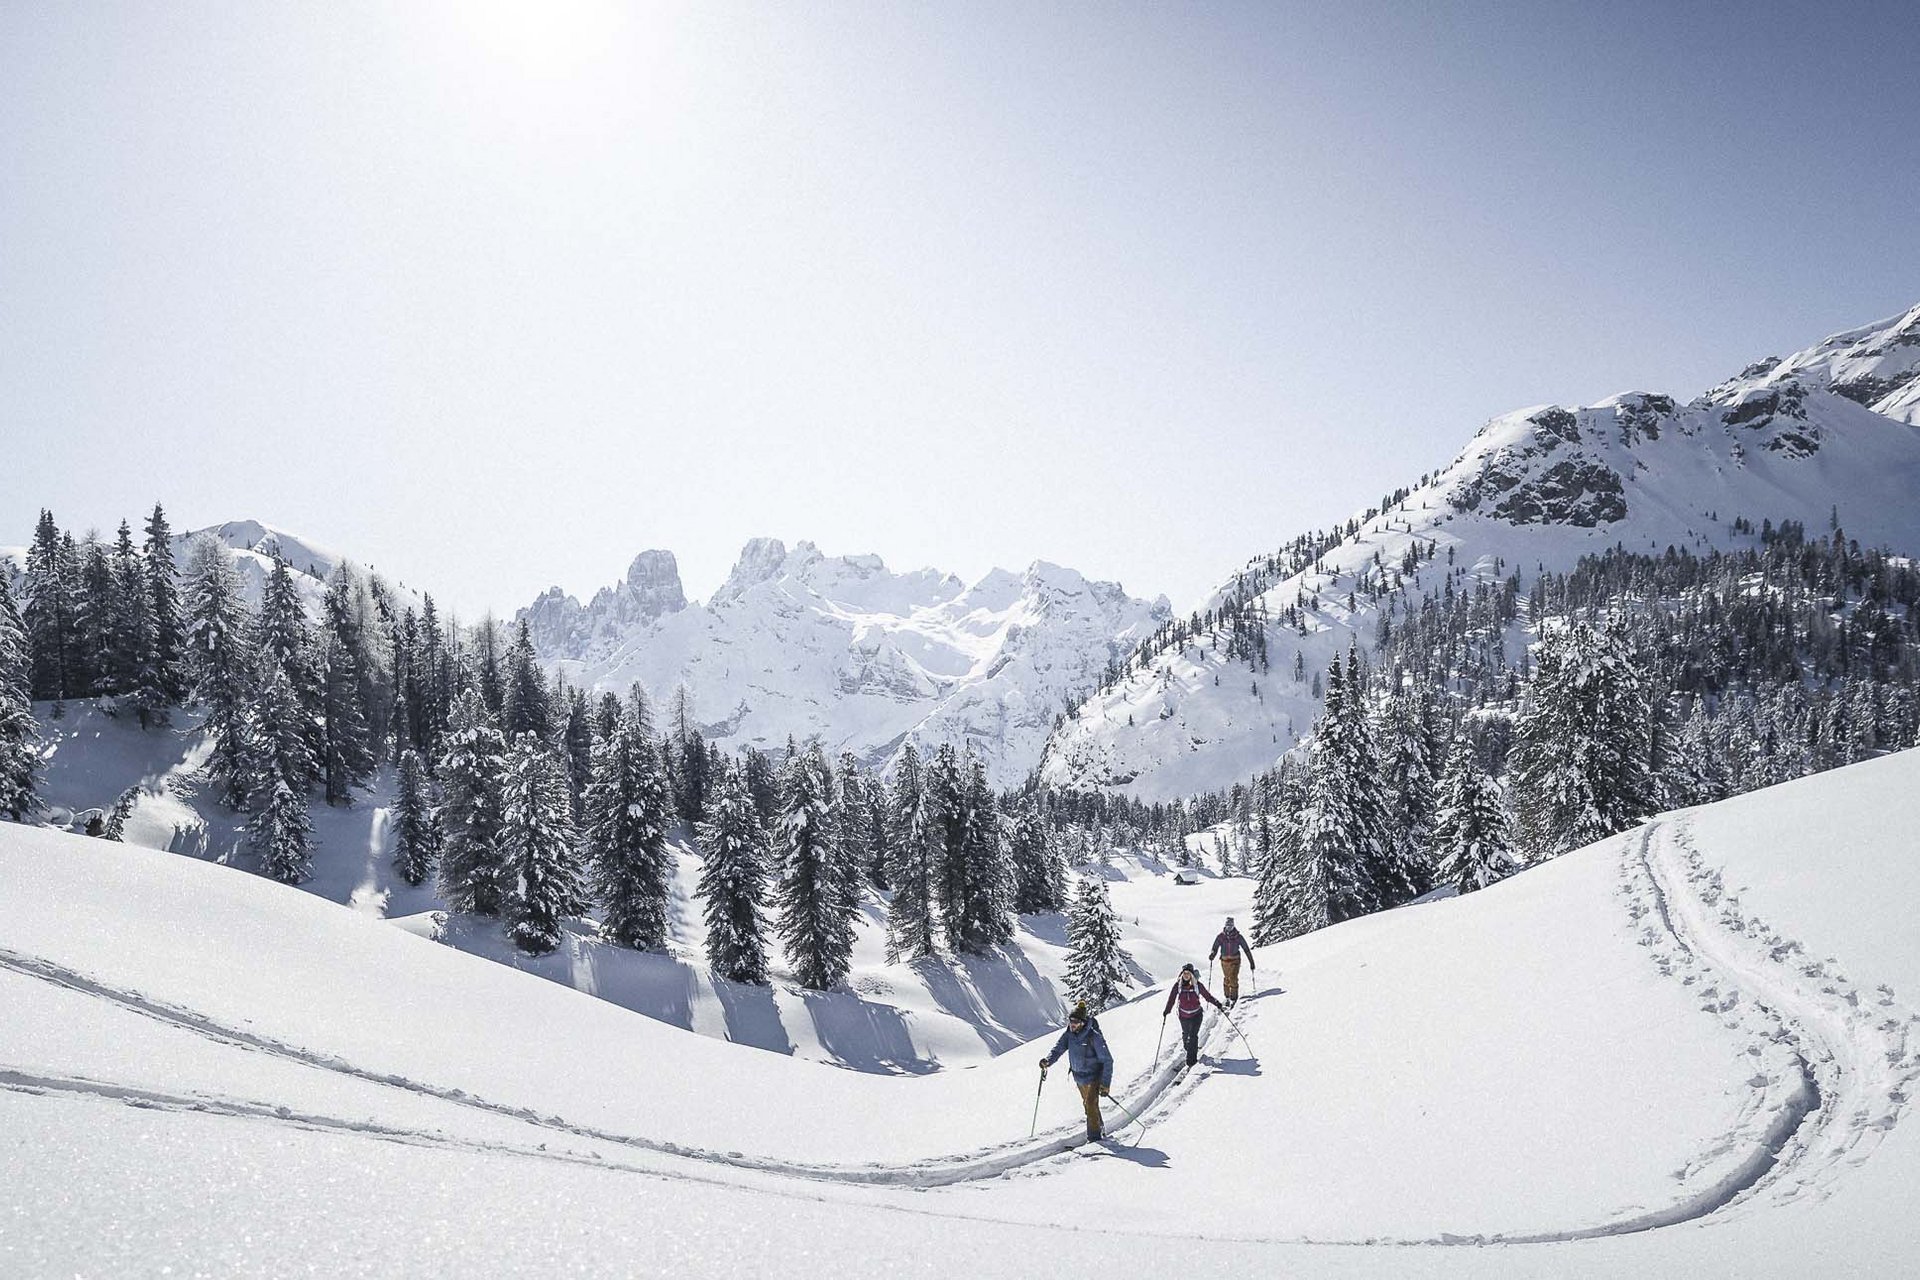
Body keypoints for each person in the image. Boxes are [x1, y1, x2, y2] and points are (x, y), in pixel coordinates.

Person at [1040, 1002, 1114, 1143]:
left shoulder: (1094, 1036)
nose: (1072, 1024)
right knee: (1089, 1105)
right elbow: (1058, 1049)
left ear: (1083, 1023)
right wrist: (1047, 1061)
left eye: (1075, 1022)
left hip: (1094, 1076)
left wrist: (1105, 1084)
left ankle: (1094, 1139)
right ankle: (1100, 1128)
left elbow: (1108, 1060)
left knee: (1091, 1103)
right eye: (1070, 1021)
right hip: (1079, 1077)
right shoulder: (1069, 1035)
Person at [1162, 963, 1224, 1068]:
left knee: (1193, 1037)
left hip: (1196, 1015)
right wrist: (1167, 1010)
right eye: (1184, 973)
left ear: (1191, 974)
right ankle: (1190, 1048)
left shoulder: (1197, 985)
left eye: (1188, 973)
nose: (1186, 975)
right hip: (1183, 1016)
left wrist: (1217, 1003)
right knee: (1186, 1036)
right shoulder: (1178, 985)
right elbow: (1172, 999)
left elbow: (1207, 996)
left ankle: (1191, 1061)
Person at [1209, 915, 1256, 1006]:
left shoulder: (1238, 937)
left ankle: (1233, 999)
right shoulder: (1221, 937)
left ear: (1233, 926)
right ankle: (1227, 997)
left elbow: (1246, 949)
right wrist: (1212, 955)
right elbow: (1215, 948)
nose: (1229, 928)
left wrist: (1251, 962)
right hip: (1224, 961)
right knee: (1227, 979)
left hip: (1235, 960)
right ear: (1225, 926)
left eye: (1231, 926)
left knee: (1233, 978)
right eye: (1227, 926)